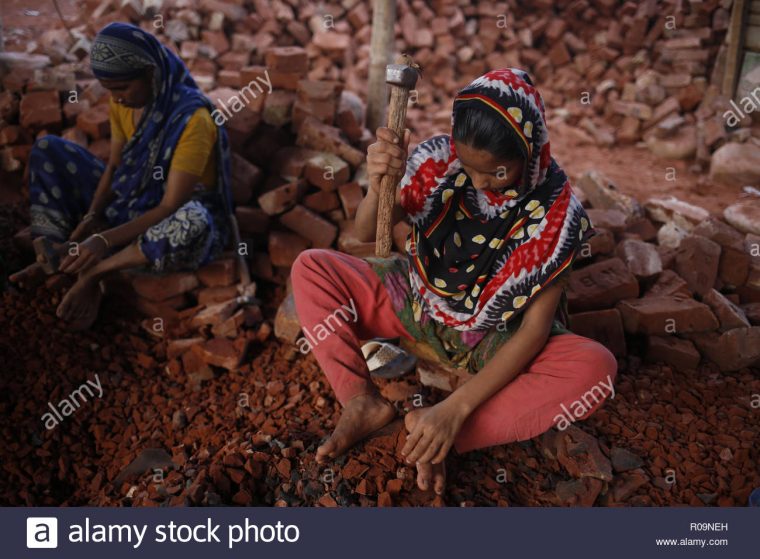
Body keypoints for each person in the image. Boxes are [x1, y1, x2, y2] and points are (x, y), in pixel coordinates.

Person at [291, 68, 618, 495]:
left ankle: (437, 437)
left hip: (496, 337)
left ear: (531, 150)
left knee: (596, 369)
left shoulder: (558, 213)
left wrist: (455, 410)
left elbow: (535, 330)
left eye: (497, 173)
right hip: (417, 305)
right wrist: (379, 186)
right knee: (312, 267)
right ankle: (361, 401)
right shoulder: (437, 162)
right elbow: (364, 232)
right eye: (470, 166)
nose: (480, 182)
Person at [9, 22, 233, 330]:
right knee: (49, 149)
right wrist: (90, 219)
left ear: (151, 73)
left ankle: (97, 272)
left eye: (123, 88)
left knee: (191, 221)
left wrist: (101, 241)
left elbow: (169, 207)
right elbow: (115, 166)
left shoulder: (192, 119)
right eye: (110, 90)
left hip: (173, 216)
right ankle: (55, 254)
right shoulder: (125, 104)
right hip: (133, 198)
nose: (116, 99)